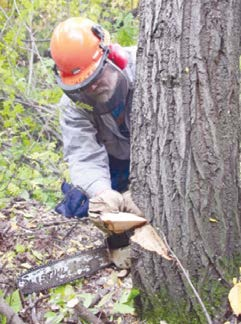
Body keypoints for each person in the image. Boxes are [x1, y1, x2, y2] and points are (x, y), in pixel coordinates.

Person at [50, 17, 142, 219]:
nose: (92, 87)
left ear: (114, 57)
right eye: (82, 85)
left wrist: (146, 189)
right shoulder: (74, 105)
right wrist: (102, 193)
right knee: (78, 205)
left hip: (153, 160)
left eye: (96, 76)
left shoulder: (146, 70)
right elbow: (83, 155)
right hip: (113, 162)